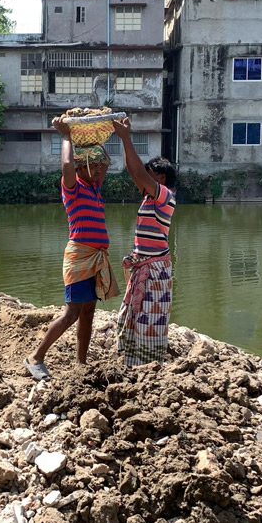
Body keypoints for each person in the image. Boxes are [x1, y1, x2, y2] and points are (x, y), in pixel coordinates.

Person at [24, 117, 119, 380]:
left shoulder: (95, 187)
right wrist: (65, 135)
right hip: (79, 257)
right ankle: (36, 357)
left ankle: (81, 362)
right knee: (72, 312)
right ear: (83, 166)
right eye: (96, 166)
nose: (101, 170)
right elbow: (67, 163)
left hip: (96, 258)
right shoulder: (73, 188)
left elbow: (107, 161)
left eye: (101, 166)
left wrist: (99, 134)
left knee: (89, 310)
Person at [112, 118, 177, 367]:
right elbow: (134, 171)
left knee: (149, 319)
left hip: (155, 270)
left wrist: (126, 137)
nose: (143, 181)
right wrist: (123, 139)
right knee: (136, 315)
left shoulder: (164, 196)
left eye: (149, 176)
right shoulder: (150, 197)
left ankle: (148, 366)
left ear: (160, 178)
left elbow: (138, 172)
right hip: (144, 267)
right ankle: (132, 362)